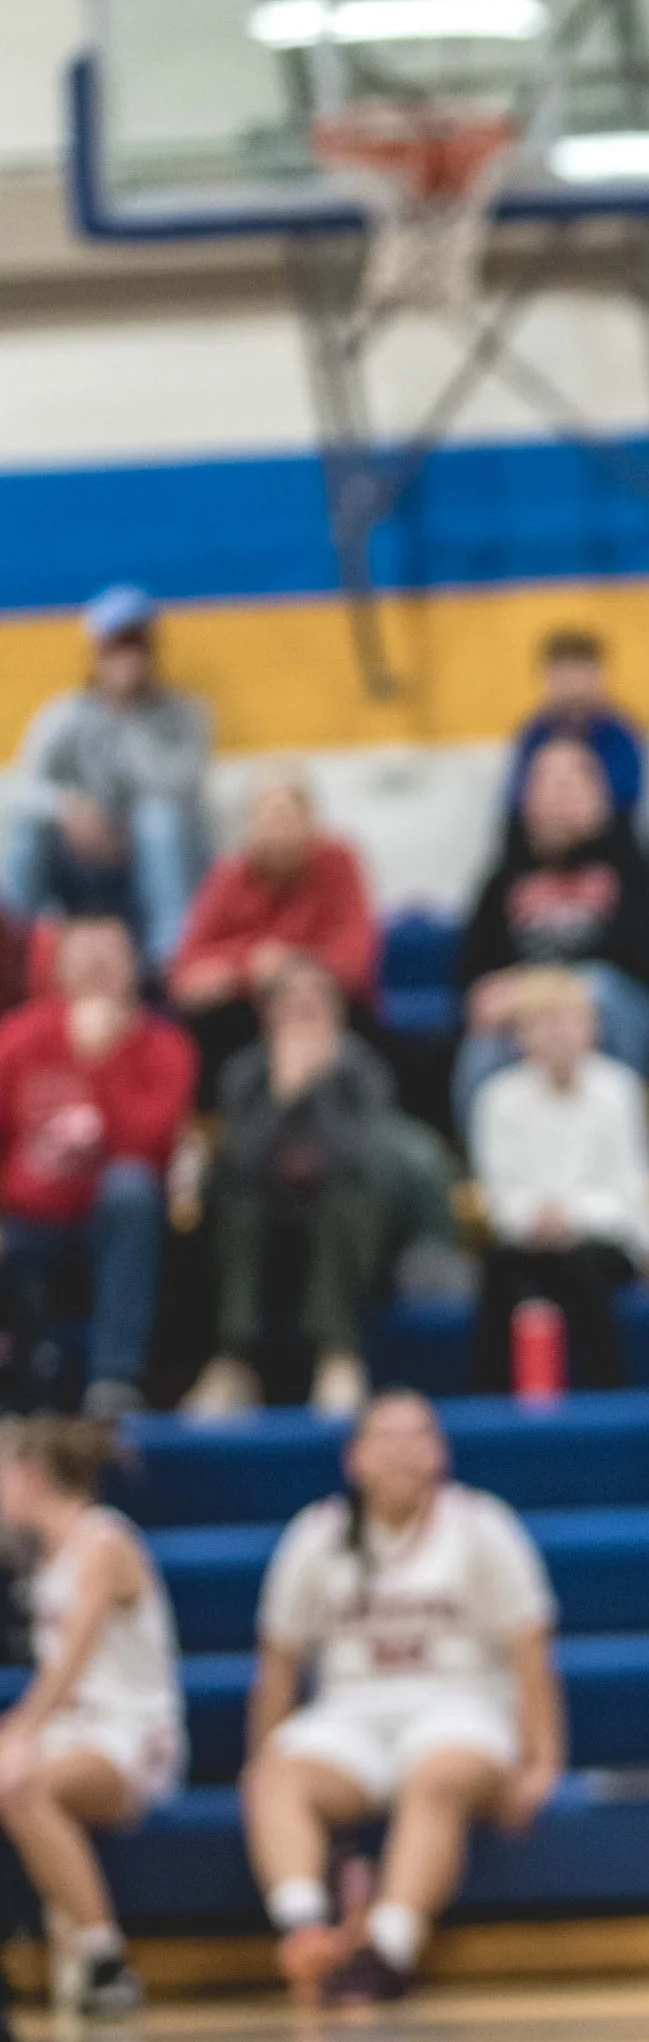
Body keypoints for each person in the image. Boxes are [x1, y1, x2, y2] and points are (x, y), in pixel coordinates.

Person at [242, 1390, 564, 2010]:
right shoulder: (317, 1535)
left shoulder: (482, 1526)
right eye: (384, 1438)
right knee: (276, 1775)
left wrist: (542, 1761)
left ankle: (386, 1951)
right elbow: (279, 1662)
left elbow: (531, 1650)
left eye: (417, 1436)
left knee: (435, 1776)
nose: (400, 1452)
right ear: (354, 1458)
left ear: (440, 1453)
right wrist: (262, 1759)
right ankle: (307, 1932)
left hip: (459, 1708)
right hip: (351, 1715)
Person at [0, 1417, 184, 2021]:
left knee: (19, 1782)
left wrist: (17, 1731)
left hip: (131, 1735)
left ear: (28, 1476)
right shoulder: (45, 1556)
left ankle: (106, 1959)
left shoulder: (103, 1542)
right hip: (73, 1732)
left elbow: (73, 1661)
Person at [0, 916, 194, 1419]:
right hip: (27, 1217)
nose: (96, 967)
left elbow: (149, 1150)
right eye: (83, 954)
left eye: (110, 954)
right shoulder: (17, 1040)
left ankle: (113, 1378)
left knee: (130, 1189)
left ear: (134, 968)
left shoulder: (166, 1046)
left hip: (113, 1224)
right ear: (58, 968)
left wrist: (98, 1062)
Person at [192, 959, 397, 1420]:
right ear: (269, 1018)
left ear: (338, 1015)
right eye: (292, 1008)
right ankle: (234, 1360)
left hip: (345, 1214)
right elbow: (240, 1161)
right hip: (265, 1210)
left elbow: (365, 1159)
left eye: (316, 1007)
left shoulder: (364, 1069)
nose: (304, 1019)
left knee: (347, 1199)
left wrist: (316, 1086)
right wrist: (282, 1094)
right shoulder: (243, 1071)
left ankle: (337, 1355)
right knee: (234, 1202)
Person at [454, 736, 649, 1128]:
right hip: (526, 1011)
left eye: (573, 783)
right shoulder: (503, 877)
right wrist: (515, 996)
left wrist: (543, 990)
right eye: (548, 783)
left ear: (599, 795)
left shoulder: (634, 863)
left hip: (615, 1003)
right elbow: (475, 972)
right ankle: (484, 1166)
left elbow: (640, 956)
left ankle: (619, 1138)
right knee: (483, 1045)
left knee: (601, 993)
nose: (560, 795)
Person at [469, 967, 649, 1392]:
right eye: (544, 1023)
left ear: (592, 1027)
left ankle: (608, 1394)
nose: (560, 1034)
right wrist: (536, 1218)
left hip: (606, 1238)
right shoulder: (497, 1098)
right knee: (502, 1269)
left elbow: (629, 1190)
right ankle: (495, 1405)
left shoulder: (619, 1089)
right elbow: (501, 1192)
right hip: (530, 1239)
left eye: (571, 1019)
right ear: (522, 1036)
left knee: (578, 1265)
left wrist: (572, 1216)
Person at [4, 587, 212, 971]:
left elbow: (180, 788)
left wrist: (127, 713)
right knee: (28, 829)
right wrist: (67, 808)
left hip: (150, 858)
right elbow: (18, 789)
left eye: (136, 644)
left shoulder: (186, 713)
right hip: (81, 863)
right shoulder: (64, 713)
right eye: (115, 646)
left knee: (157, 819)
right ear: (95, 653)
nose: (127, 657)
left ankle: (170, 963)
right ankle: (14, 954)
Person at [168, 768, 379, 1096]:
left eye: (289, 817)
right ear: (250, 827)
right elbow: (188, 971)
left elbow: (356, 957)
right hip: (248, 1013)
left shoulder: (339, 863)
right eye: (268, 819)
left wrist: (289, 966)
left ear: (311, 821)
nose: (280, 832)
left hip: (326, 1006)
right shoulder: (228, 876)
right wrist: (249, 965)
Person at [505, 626, 648, 823]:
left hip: (609, 833)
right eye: (563, 673)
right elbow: (516, 798)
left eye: (580, 671)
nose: (573, 684)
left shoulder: (620, 733)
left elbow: (626, 798)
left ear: (600, 675)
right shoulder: (534, 733)